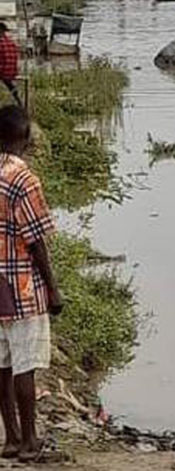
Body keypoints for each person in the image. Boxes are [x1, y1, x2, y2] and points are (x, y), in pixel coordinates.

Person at [0, 105, 60, 462]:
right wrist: (52, 287)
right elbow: (36, 239)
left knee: (2, 364)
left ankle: (10, 437)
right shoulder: (23, 179)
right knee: (25, 364)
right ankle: (29, 441)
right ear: (24, 138)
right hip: (20, 283)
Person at [0, 24, 21, 107]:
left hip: (2, 72)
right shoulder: (11, 42)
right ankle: (19, 101)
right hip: (12, 72)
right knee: (9, 84)